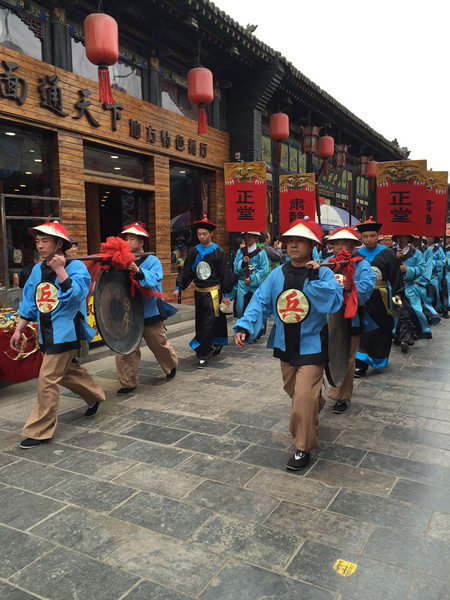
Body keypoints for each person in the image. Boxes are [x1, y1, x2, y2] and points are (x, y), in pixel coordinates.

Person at [234, 218, 343, 470]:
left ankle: (302, 447)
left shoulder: (323, 272)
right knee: (296, 393)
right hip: (285, 344)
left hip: (313, 346)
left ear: (312, 244)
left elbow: (333, 302)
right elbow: (260, 302)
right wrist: (245, 326)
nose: (293, 245)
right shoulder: (276, 275)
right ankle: (314, 404)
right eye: (289, 241)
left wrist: (314, 277)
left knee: (302, 399)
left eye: (300, 241)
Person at [9, 221, 105, 449]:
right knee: (66, 373)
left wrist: (61, 270)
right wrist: (19, 328)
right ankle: (94, 395)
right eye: (38, 241)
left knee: (47, 378)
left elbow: (78, 294)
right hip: (45, 333)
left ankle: (40, 430)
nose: (40, 246)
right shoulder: (36, 269)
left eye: (45, 241)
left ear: (58, 243)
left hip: (65, 333)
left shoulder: (75, 267)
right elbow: (30, 302)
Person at [115, 223, 178, 395]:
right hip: (128, 311)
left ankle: (170, 366)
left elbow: (156, 280)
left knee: (158, 342)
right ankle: (127, 382)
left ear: (141, 241)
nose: (128, 241)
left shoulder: (152, 260)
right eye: (126, 238)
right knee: (125, 348)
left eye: (132, 238)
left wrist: (139, 271)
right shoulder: (121, 260)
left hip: (149, 308)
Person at [174, 215, 235, 368]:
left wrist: (226, 296)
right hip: (199, 293)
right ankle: (216, 341)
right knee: (202, 322)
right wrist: (178, 287)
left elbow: (224, 274)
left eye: (204, 234)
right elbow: (187, 270)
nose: (201, 237)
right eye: (199, 234)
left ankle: (204, 353)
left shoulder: (218, 252)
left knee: (208, 323)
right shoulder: (194, 252)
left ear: (211, 234)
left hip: (213, 293)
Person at [325, 227, 375, 413]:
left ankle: (340, 396)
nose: (339, 247)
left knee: (348, 357)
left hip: (351, 318)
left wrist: (351, 286)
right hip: (328, 317)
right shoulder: (327, 263)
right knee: (326, 354)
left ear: (353, 245)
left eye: (344, 243)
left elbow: (367, 287)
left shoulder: (362, 265)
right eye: (336, 243)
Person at [353, 217, 403, 377]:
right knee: (362, 330)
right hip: (361, 298)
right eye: (366, 236)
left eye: (372, 236)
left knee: (382, 329)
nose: (369, 239)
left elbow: (396, 276)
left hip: (381, 298)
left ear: (378, 236)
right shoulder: (355, 254)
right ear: (361, 237)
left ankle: (379, 359)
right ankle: (360, 365)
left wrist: (398, 296)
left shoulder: (387, 253)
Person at [233, 232, 269, 318]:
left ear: (256, 237)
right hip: (242, 285)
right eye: (246, 236)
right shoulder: (240, 252)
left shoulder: (261, 252)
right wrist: (242, 263)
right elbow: (235, 268)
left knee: (257, 311)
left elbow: (264, 269)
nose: (248, 238)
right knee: (241, 309)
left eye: (251, 236)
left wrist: (252, 279)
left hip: (256, 286)